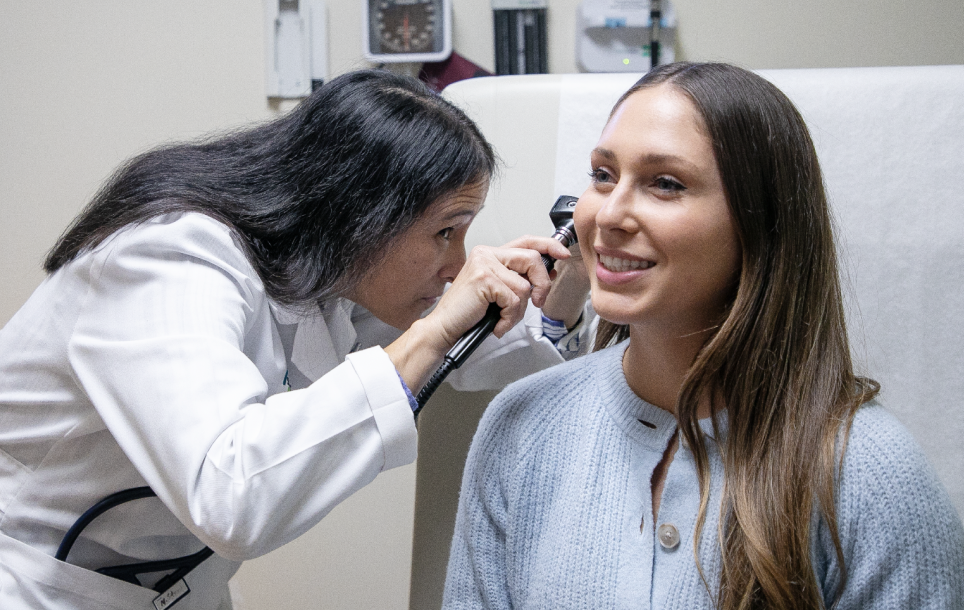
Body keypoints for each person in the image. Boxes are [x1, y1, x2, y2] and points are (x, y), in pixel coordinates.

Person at [0, 70, 593, 609]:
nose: (455, 264)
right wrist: (434, 331)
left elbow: (472, 359)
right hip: (35, 584)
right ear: (361, 214)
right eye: (445, 231)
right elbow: (229, 496)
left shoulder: (327, 280)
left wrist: (566, 288)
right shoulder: (169, 258)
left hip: (171, 589)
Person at [443, 62, 964, 609]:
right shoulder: (522, 428)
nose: (610, 215)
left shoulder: (872, 476)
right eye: (602, 175)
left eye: (665, 183)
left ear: (759, 224)